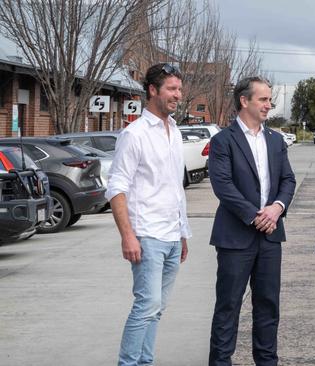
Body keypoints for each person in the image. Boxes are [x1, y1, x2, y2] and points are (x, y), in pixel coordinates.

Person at [208, 76, 296, 366]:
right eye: (263, 99)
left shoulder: (275, 140)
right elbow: (223, 186)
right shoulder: (223, 141)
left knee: (268, 307)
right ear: (244, 101)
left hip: (271, 238)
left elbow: (287, 179)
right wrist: (256, 216)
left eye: (269, 99)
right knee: (228, 307)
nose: (269, 105)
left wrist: (277, 208)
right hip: (235, 238)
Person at [106, 63, 191, 366]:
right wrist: (128, 236)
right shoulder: (135, 134)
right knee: (147, 305)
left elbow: (174, 187)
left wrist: (182, 232)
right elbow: (117, 188)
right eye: (171, 88)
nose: (178, 95)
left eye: (179, 89)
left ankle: (144, 363)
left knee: (157, 308)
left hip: (170, 235)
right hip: (147, 235)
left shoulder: (175, 132)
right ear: (153, 91)